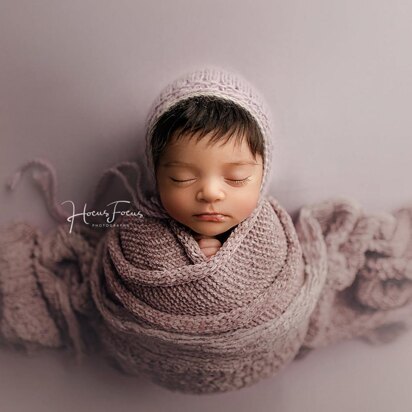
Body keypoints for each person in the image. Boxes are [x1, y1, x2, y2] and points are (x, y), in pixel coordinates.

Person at [149, 95, 265, 259]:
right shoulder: (139, 234)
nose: (211, 193)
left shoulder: (271, 236)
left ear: (262, 177)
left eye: (236, 177)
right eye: (181, 177)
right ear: (157, 177)